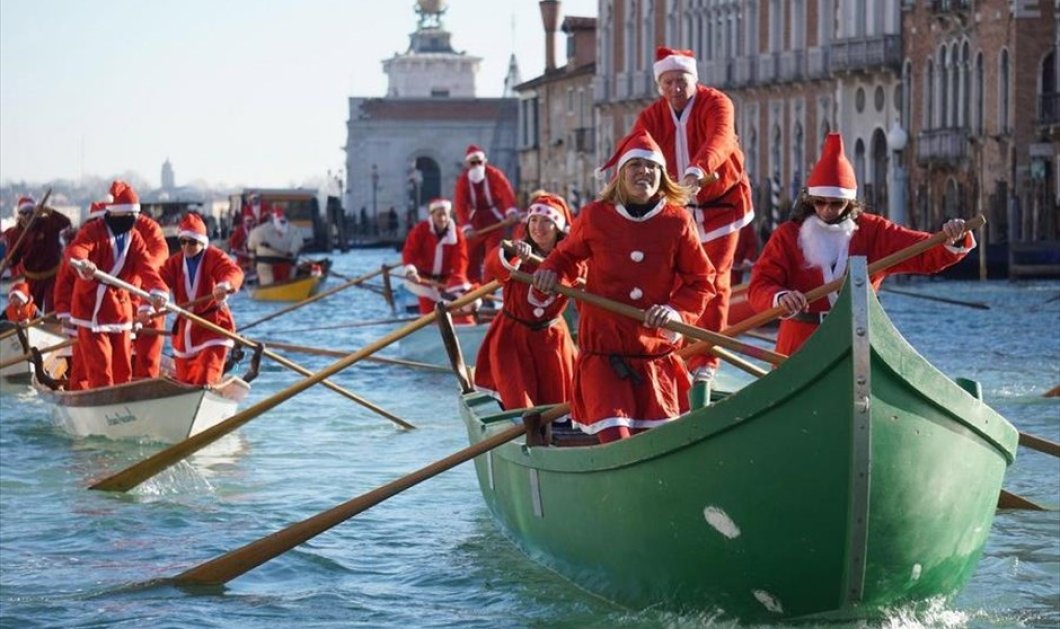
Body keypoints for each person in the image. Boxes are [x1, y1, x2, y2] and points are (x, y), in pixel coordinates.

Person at [531, 129, 716, 444]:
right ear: (620, 175)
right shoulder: (594, 217)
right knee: (617, 440)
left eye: (652, 167)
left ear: (661, 175)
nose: (644, 172)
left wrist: (675, 312)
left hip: (655, 359)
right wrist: (549, 273)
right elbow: (564, 260)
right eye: (635, 166)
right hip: (604, 358)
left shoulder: (678, 221)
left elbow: (702, 281)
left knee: (659, 445)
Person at [748, 133, 976, 357]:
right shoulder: (787, 236)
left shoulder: (873, 231)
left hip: (858, 342)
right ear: (809, 201)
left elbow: (924, 253)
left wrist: (952, 237)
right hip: (799, 346)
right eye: (819, 202)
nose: (827, 209)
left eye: (836, 203)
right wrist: (780, 297)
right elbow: (759, 286)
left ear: (849, 203)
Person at [632, 46, 754, 388]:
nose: (675, 88)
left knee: (714, 282)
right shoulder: (651, 116)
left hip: (723, 207)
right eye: (668, 82)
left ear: (694, 79)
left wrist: (697, 171)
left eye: (681, 80)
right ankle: (675, 351)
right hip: (677, 209)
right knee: (674, 282)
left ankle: (706, 358)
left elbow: (721, 139)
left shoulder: (717, 103)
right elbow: (637, 148)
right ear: (660, 85)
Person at [474, 193, 580, 410]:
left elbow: (581, 282)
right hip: (512, 338)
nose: (538, 227)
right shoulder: (517, 250)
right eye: (533, 220)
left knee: (562, 403)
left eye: (546, 221)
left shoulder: (572, 261)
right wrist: (514, 254)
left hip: (552, 338)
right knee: (520, 402)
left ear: (558, 228)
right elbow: (494, 264)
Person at [65, 191, 168, 389]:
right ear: (115, 215)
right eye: (129, 217)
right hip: (91, 308)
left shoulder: (134, 237)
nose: (133, 221)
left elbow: (145, 266)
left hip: (120, 309)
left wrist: (157, 290)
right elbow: (76, 249)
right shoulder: (93, 231)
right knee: (100, 366)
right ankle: (101, 401)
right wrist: (83, 263)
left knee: (123, 368)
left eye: (135, 217)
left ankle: (125, 405)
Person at [156, 213, 244, 385]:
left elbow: (233, 272)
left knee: (206, 374)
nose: (187, 246)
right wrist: (156, 297)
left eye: (192, 242)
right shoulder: (174, 263)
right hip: (185, 333)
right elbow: (158, 281)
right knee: (185, 381)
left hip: (213, 327)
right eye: (183, 242)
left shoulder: (214, 256)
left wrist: (224, 286)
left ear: (202, 242)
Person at [116, 182, 169, 380]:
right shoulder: (102, 228)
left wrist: (137, 274)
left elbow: (157, 258)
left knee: (149, 341)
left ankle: (145, 381)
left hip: (146, 293)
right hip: (118, 299)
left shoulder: (150, 229)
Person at [452, 144, 520, 283]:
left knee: (492, 256)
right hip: (475, 223)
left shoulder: (494, 174)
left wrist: (510, 211)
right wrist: (466, 226)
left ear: (484, 162)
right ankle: (473, 288)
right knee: (470, 256)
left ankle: (487, 289)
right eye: (473, 162)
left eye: (479, 162)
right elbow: (460, 205)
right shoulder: (463, 181)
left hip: (495, 220)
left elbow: (505, 191)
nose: (477, 165)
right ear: (468, 164)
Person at [399, 198, 474, 319]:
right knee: (429, 316)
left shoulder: (458, 234)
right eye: (439, 215)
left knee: (462, 310)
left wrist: (456, 282)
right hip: (423, 281)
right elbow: (409, 252)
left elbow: (460, 261)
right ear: (432, 215)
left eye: (445, 215)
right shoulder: (420, 230)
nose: (443, 219)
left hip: (446, 283)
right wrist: (410, 271)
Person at [2, 195, 72, 313]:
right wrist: (8, 262)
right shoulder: (15, 233)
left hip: (52, 275)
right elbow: (15, 259)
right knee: (32, 308)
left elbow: (65, 222)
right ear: (20, 215)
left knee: (53, 308)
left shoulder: (47, 223)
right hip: (32, 278)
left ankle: (52, 327)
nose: (28, 216)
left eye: (30, 212)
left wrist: (48, 210)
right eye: (24, 213)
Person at [247, 207, 302, 285]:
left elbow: (251, 246)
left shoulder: (258, 231)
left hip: (266, 264)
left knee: (267, 283)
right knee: (289, 280)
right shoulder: (295, 229)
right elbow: (298, 244)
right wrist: (291, 252)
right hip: (288, 264)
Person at [730, 221, 760, 285]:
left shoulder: (745, 224)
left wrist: (747, 260)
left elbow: (752, 245)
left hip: (741, 268)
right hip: (726, 268)